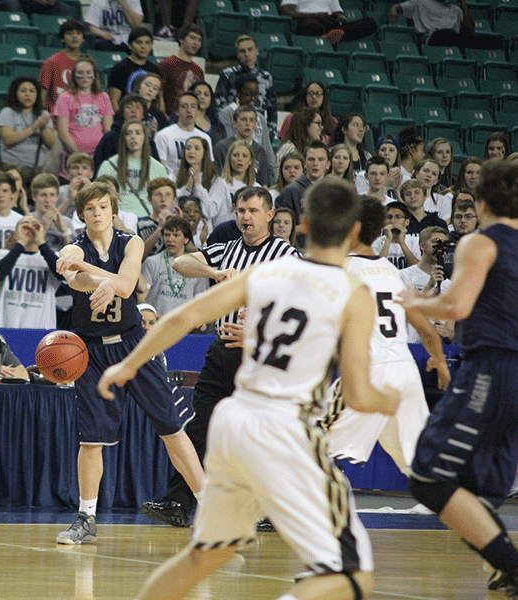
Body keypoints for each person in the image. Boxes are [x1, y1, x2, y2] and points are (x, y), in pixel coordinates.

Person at [100, 178, 399, 600]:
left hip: (234, 421)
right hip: (286, 429)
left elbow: (183, 317)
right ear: (354, 232)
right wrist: (391, 400)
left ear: (304, 224)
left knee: (205, 556)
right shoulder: (354, 293)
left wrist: (128, 365)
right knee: (352, 576)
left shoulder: (268, 270)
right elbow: (356, 395)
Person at [53, 181, 204, 544]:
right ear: (82, 214)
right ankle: (86, 518)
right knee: (91, 441)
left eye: (103, 207)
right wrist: (101, 279)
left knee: (172, 429)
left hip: (136, 345)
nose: (97, 213)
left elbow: (127, 284)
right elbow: (76, 280)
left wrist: (105, 280)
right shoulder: (72, 247)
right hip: (91, 352)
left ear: (114, 210)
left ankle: (212, 511)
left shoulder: (131, 241)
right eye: (90, 208)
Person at [141, 186, 298, 528]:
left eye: (253, 211)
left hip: (262, 355)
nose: (245, 217)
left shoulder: (287, 257)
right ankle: (177, 502)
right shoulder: (226, 249)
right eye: (241, 210)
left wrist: (258, 334)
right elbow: (181, 262)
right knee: (201, 428)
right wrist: (215, 273)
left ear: (269, 216)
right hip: (222, 350)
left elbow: (300, 313)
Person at [397, 160, 518, 598]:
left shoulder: (481, 242)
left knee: (429, 476)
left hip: (493, 368)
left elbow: (456, 308)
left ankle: (510, 563)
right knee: (482, 486)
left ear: (481, 202)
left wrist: (413, 301)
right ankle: (502, 567)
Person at [323, 198, 450, 476]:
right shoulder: (391, 271)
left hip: (369, 372)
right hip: (404, 371)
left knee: (311, 441)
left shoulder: (340, 268)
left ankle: (317, 510)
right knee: (420, 463)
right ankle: (458, 507)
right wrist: (440, 361)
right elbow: (426, 328)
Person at [0, 214, 62, 330]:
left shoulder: (52, 257)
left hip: (42, 330)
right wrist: (20, 243)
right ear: (15, 233)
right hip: (6, 327)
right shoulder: (2, 255)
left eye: (34, 226)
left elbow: (61, 274)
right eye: (24, 225)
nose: (29, 228)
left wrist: (40, 241)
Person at [97, 119, 169, 220]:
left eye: (138, 133)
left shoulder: (158, 167)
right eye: (128, 133)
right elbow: (99, 196)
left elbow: (165, 198)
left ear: (144, 137)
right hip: (118, 219)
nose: (133, 137)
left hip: (148, 218)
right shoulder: (109, 165)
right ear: (123, 138)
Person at [138, 214, 208, 317]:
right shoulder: (151, 262)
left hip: (185, 327)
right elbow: (141, 298)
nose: (170, 239)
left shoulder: (197, 267)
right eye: (167, 235)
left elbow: (202, 302)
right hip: (156, 325)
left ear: (186, 239)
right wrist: (159, 319)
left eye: (176, 235)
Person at [215, 35, 278, 141]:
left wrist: (269, 137)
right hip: (232, 128)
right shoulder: (227, 75)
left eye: (250, 50)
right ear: (237, 54)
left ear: (257, 51)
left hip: (257, 130)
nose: (247, 54)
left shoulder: (266, 77)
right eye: (242, 51)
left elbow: (272, 112)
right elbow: (218, 106)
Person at [53, 56, 114, 160]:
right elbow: (63, 134)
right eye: (80, 73)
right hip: (73, 155)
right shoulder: (65, 97)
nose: (84, 76)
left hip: (98, 155)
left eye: (88, 73)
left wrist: (100, 154)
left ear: (94, 75)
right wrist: (80, 156)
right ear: (74, 76)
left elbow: (108, 130)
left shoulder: (104, 97)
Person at [0, 76, 55, 182]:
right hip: (11, 167)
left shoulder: (43, 114)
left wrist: (43, 127)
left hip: (37, 168)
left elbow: (50, 144)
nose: (28, 94)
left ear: (37, 95)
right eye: (23, 91)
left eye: (32, 91)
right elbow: (7, 139)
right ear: (15, 94)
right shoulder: (7, 112)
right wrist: (32, 129)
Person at [216, 75, 274, 180]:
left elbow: (267, 148)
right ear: (238, 93)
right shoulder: (227, 113)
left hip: (256, 165)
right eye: (248, 94)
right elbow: (229, 142)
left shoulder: (260, 117)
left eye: (255, 94)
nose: (252, 98)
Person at [387, 0, 502, 49]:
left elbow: (469, 32)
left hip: (456, 39)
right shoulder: (421, 2)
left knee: (495, 41)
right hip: (435, 38)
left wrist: (463, 5)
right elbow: (398, 8)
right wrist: (393, 11)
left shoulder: (456, 9)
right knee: (445, 34)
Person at [153, 91, 212, 178]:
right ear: (177, 111)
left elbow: (208, 168)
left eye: (193, 107)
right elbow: (159, 169)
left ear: (198, 112)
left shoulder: (205, 138)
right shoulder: (163, 135)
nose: (189, 111)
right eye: (184, 107)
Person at [214, 105, 271, 187]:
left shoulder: (260, 151)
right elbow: (216, 178)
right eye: (243, 119)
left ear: (255, 124)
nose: (247, 124)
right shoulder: (222, 147)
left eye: (251, 120)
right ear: (235, 123)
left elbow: (264, 183)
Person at [106, 27, 159, 112]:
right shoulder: (119, 68)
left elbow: (159, 100)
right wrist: (119, 120)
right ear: (130, 45)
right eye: (139, 42)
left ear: (151, 46)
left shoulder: (154, 69)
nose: (143, 46)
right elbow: (113, 101)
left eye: (147, 43)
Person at [276, 141, 329, 225]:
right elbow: (281, 229)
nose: (315, 163)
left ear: (328, 164)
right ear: (305, 163)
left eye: (321, 159)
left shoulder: (336, 191)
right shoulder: (290, 192)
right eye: (311, 159)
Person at [38, 19, 85, 113]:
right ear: (62, 38)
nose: (74, 36)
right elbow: (43, 94)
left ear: (83, 38)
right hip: (56, 115)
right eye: (69, 33)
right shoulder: (52, 62)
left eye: (78, 33)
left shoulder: (87, 63)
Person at [157, 24, 204, 117]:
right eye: (192, 38)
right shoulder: (166, 65)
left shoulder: (198, 70)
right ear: (181, 39)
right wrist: (163, 116)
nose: (196, 43)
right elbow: (159, 95)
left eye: (199, 40)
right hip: (171, 117)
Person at [281, 0, 378, 44]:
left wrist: (340, 19)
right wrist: (317, 15)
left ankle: (336, 35)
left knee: (370, 22)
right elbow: (287, 11)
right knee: (310, 25)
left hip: (329, 22)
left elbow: (339, 12)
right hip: (308, 19)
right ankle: (330, 38)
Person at [373, 201, 420, 269]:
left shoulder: (415, 241)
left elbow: (418, 269)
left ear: (407, 222)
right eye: (389, 217)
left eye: (398, 217)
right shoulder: (376, 242)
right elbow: (376, 268)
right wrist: (388, 240)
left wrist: (402, 243)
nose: (392, 221)